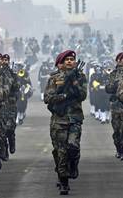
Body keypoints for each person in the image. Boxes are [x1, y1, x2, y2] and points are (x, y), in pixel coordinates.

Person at [44, 50, 87, 195]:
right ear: (62, 62)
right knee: (61, 152)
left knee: (73, 147)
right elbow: (48, 98)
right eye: (67, 59)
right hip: (59, 120)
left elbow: (82, 95)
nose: (69, 61)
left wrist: (74, 83)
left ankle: (74, 164)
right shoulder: (54, 78)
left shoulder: (80, 76)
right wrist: (64, 95)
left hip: (75, 118)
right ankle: (64, 182)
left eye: (72, 59)